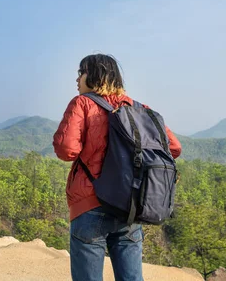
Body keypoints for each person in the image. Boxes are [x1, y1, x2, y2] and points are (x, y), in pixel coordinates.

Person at [53, 54, 182, 281]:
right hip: (129, 205)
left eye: (80, 73)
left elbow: (66, 150)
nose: (77, 79)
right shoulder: (140, 109)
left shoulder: (82, 103)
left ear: (94, 75)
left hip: (90, 205)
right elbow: (174, 148)